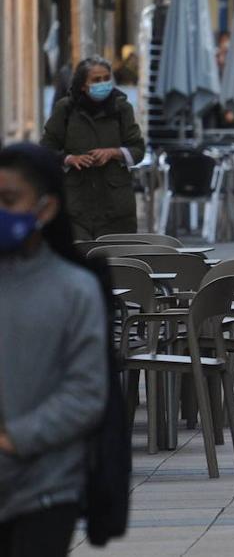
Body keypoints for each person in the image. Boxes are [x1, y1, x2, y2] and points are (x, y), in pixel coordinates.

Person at [0, 144, 110, 556]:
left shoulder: (74, 290)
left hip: (46, 490)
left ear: (45, 209)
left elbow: (86, 392)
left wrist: (13, 440)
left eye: (10, 201)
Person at [39, 57, 145, 240]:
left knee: (117, 262)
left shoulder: (122, 108)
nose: (103, 84)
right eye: (96, 80)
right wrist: (69, 159)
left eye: (106, 78)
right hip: (76, 205)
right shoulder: (65, 109)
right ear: (82, 85)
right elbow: (46, 150)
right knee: (80, 258)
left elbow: (137, 150)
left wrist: (114, 153)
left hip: (116, 206)